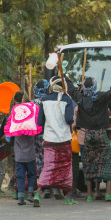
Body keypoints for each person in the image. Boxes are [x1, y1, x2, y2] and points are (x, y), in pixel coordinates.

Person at [67, 65, 111, 202]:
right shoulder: (101, 97)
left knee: (89, 163)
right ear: (94, 86)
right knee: (106, 162)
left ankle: (89, 194)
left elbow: (70, 90)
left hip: (87, 135)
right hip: (101, 133)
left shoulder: (79, 98)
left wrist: (66, 78)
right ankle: (106, 193)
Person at [36, 76, 75, 206]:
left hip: (49, 140)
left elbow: (39, 121)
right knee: (66, 167)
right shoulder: (67, 99)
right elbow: (69, 119)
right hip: (64, 139)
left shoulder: (44, 100)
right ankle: (68, 197)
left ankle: (38, 193)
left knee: (48, 167)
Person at [5, 91, 37, 206]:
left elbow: (9, 134)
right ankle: (30, 194)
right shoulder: (31, 112)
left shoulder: (13, 114)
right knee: (32, 174)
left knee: (20, 174)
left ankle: (20, 197)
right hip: (31, 152)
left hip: (18, 152)